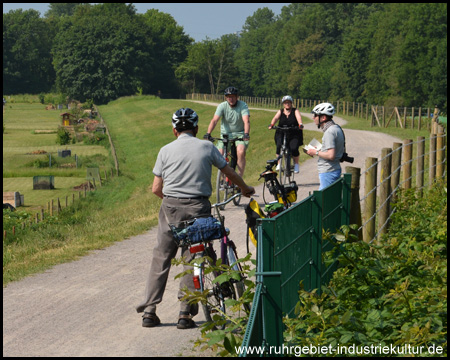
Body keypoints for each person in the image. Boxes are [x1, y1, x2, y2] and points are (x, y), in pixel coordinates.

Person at [136, 108, 255, 329]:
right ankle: (185, 313)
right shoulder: (207, 147)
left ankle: (150, 311)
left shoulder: (165, 150)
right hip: (199, 206)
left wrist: (171, 201)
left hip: (170, 207)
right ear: (197, 129)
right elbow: (229, 172)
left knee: (161, 256)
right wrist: (245, 188)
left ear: (174, 131)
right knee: (192, 256)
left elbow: (155, 189)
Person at [203, 86, 250, 177]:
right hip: (225, 135)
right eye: (228, 97)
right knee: (218, 154)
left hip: (240, 134)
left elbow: (246, 121)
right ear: (226, 98)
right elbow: (214, 120)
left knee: (240, 152)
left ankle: (239, 178)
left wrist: (246, 134)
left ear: (237, 97)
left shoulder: (243, 105)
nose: (231, 99)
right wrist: (208, 133)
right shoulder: (222, 106)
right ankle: (224, 176)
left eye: (233, 96)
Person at [306, 102, 345, 190]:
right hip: (334, 169)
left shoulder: (329, 132)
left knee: (324, 201)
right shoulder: (336, 128)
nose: (313, 118)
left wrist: (315, 152)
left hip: (328, 171)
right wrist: (320, 149)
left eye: (315, 115)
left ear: (323, 117)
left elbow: (331, 155)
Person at [268, 95, 304, 173]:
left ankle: (296, 164)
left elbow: (299, 118)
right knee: (278, 146)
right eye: (285, 102)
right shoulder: (280, 111)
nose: (287, 104)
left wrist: (300, 124)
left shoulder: (295, 111)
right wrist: (271, 124)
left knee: (294, 148)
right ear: (283, 104)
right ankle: (279, 163)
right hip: (281, 131)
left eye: (289, 102)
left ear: (291, 103)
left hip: (293, 132)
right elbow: (275, 118)